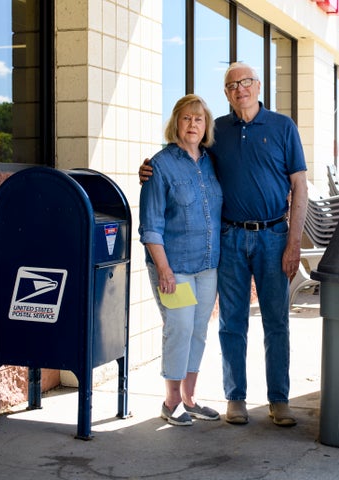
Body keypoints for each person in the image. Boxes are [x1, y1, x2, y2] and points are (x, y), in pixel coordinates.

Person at [141, 62, 308, 427]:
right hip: (230, 240)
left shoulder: (283, 127)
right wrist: (149, 168)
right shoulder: (220, 132)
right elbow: (183, 158)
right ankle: (236, 398)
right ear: (226, 93)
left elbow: (300, 187)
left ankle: (279, 400)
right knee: (231, 323)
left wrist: (294, 243)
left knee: (276, 322)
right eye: (232, 85)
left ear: (258, 86)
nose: (240, 89)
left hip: (274, 238)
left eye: (246, 82)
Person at [139, 94, 223, 426]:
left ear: (206, 126)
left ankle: (190, 398)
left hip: (207, 265)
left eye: (199, 119)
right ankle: (171, 401)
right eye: (186, 118)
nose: (192, 125)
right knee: (180, 327)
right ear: (176, 123)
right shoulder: (158, 166)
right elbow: (150, 226)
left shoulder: (211, 162)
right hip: (174, 268)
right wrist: (164, 269)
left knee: (199, 330)